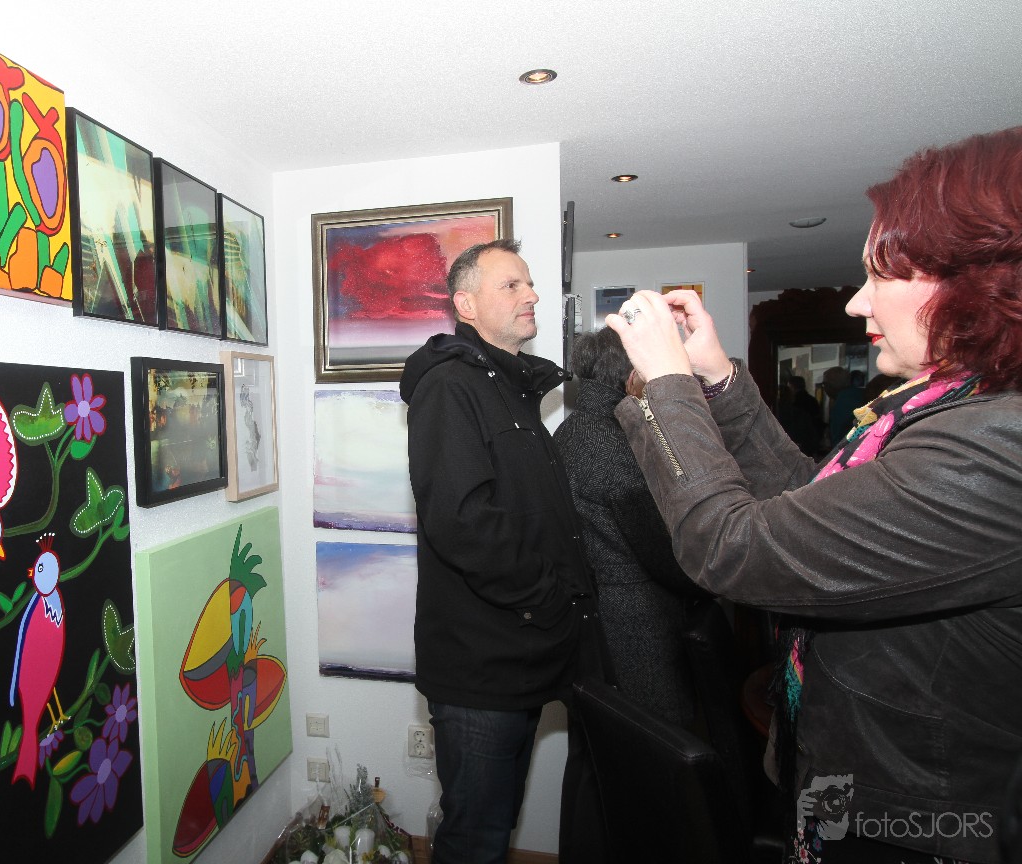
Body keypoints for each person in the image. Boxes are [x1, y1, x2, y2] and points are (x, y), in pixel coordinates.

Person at [603, 127, 1022, 863]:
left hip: (921, 824)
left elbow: (733, 548)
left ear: (973, 285)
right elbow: (807, 500)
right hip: (854, 779)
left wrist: (665, 385)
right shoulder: (950, 408)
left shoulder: (995, 444)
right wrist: (716, 378)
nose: (858, 304)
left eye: (880, 277)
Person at [400, 238, 603, 863]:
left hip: (522, 651)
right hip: (480, 668)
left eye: (529, 282)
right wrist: (548, 598)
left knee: (496, 828)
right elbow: (463, 523)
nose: (532, 294)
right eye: (511, 285)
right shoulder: (450, 387)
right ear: (466, 304)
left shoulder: (510, 389)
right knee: (475, 841)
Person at [553, 327, 706, 727]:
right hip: (635, 618)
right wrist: (708, 582)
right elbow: (658, 551)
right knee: (658, 736)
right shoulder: (610, 442)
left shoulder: (573, 428)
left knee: (608, 740)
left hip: (601, 609)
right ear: (633, 376)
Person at [821, 366, 867, 447]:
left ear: (830, 385)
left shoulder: (841, 404)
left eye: (824, 384)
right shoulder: (861, 394)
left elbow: (839, 437)